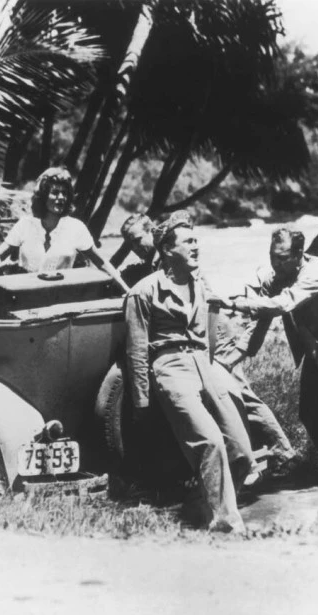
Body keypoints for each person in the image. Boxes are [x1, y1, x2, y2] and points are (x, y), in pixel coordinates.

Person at [120, 214, 295, 465]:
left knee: (238, 393)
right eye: (130, 244)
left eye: (138, 240)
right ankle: (251, 455)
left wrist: (213, 348)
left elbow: (205, 305)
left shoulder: (175, 261)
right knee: (226, 398)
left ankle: (281, 449)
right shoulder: (155, 265)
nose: (136, 247)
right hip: (199, 337)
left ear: (152, 233)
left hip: (212, 332)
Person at [124, 211, 256, 533]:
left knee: (241, 449)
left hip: (203, 365)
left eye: (197, 240)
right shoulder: (143, 291)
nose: (196, 246)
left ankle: (200, 504)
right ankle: (225, 523)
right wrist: (141, 401)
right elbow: (136, 350)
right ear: (168, 249)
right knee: (210, 442)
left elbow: (208, 334)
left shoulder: (200, 285)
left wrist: (215, 369)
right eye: (188, 241)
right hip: (170, 368)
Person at [212, 227, 318, 475]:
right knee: (310, 414)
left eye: (282, 258)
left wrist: (236, 304)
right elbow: (258, 327)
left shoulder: (314, 274)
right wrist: (229, 360)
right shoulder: (273, 279)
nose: (276, 263)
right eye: (272, 256)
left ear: (298, 254)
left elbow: (283, 303)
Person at [0, 167, 128, 291]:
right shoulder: (25, 224)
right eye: (55, 192)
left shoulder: (76, 228)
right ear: (43, 196)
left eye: (64, 193)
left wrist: (126, 290)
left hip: (60, 298)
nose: (61, 198)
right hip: (22, 295)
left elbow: (102, 263)